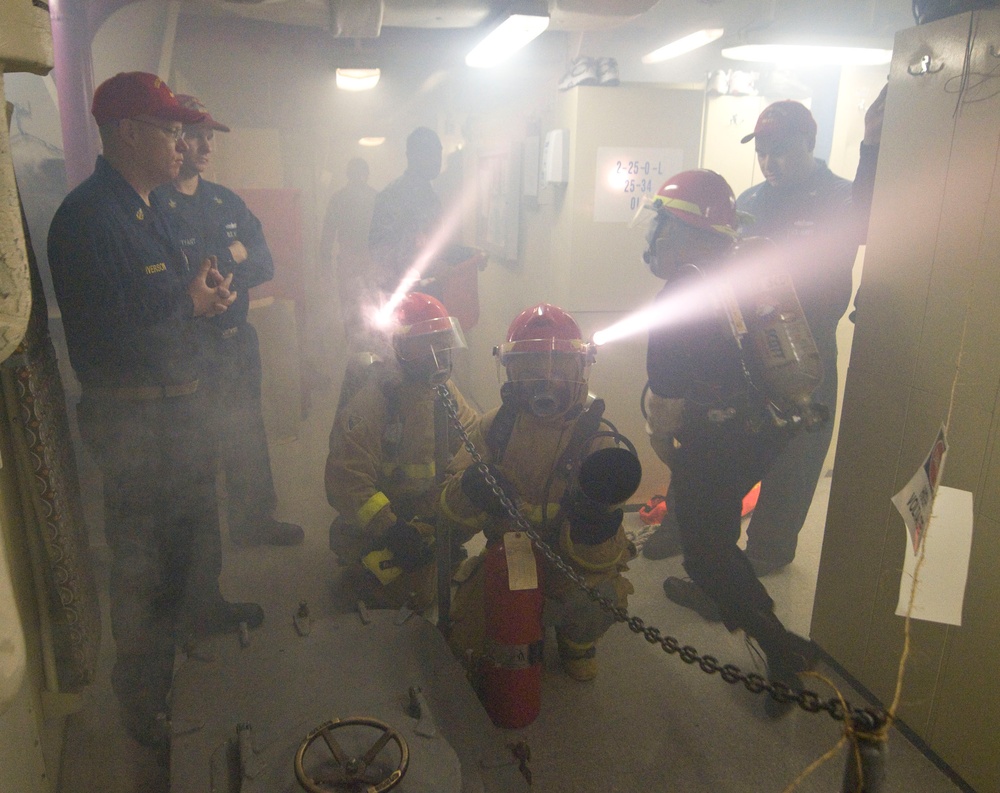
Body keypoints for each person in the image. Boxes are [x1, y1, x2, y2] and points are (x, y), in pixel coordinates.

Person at [46, 72, 259, 754]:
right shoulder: (88, 220)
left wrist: (210, 293)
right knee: (141, 567)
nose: (182, 142)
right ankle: (141, 697)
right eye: (169, 131)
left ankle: (206, 611)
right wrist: (190, 307)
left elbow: (175, 290)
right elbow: (110, 341)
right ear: (128, 133)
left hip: (182, 409)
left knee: (195, 531)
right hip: (135, 422)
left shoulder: (152, 208)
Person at [641, 169, 817, 717]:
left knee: (708, 550)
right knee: (709, 530)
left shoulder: (683, 292)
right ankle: (718, 581)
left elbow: (667, 398)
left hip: (718, 441)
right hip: (762, 430)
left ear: (687, 231)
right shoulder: (738, 271)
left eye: (663, 225)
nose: (655, 238)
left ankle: (782, 648)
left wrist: (670, 445)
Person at [438, 303, 637, 682]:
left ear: (580, 370)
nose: (545, 380)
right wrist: (471, 489)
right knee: (465, 647)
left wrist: (595, 528)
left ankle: (576, 641)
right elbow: (448, 504)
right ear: (512, 372)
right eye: (531, 368)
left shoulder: (597, 439)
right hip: (506, 556)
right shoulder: (494, 426)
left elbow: (608, 554)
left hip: (570, 563)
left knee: (601, 598)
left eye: (559, 367)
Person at [154, 94, 304, 548]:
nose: (205, 146)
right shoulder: (154, 205)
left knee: (246, 430)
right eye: (194, 135)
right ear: (174, 139)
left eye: (208, 137)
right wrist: (222, 264)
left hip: (236, 340)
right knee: (195, 443)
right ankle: (200, 545)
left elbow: (264, 261)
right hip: (190, 346)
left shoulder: (225, 202)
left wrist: (228, 268)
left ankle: (254, 519)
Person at [733, 99, 862, 577]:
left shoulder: (843, 198)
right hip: (748, 345)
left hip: (808, 343)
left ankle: (768, 551)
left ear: (808, 143)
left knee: (798, 454)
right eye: (762, 152)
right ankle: (703, 541)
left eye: (780, 151)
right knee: (732, 439)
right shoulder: (748, 203)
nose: (769, 162)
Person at [325, 292, 479, 611]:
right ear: (400, 349)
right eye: (427, 344)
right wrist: (393, 530)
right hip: (386, 521)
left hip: (426, 511)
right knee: (410, 594)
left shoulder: (443, 391)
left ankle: (430, 553)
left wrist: (456, 492)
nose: (439, 354)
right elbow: (349, 482)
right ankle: (364, 568)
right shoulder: (372, 403)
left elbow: (473, 440)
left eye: (443, 341)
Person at [319, 157, 378, 347]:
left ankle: (360, 344)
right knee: (359, 306)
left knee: (357, 306)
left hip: (360, 261)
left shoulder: (340, 198)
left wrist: (326, 263)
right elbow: (328, 234)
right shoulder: (374, 197)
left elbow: (328, 234)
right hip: (359, 261)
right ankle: (363, 344)